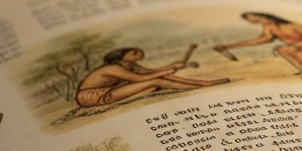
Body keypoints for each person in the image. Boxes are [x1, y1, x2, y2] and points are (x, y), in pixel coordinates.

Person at [75, 47, 228, 108]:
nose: (138, 55)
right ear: (122, 55)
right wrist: (170, 69)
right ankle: (202, 86)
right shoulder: (113, 68)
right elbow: (140, 79)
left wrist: (172, 66)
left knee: (162, 77)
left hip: (109, 90)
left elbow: (150, 71)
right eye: (134, 53)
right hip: (93, 96)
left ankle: (205, 83)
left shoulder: (130, 65)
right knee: (156, 81)